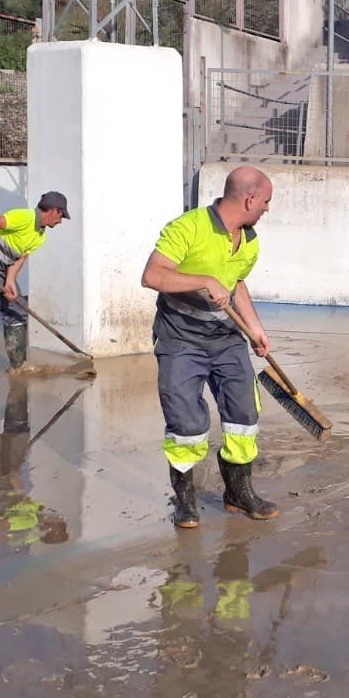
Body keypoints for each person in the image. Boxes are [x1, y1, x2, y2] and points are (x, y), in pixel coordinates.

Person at [141, 166, 277, 529]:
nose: (267, 208)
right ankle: (184, 499)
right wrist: (203, 280)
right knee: (185, 422)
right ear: (250, 199)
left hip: (228, 340)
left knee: (243, 415)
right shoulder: (188, 227)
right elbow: (152, 276)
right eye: (266, 201)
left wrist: (255, 328)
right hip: (181, 339)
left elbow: (237, 286)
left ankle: (239, 492)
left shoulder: (249, 240)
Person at [0, 191, 71, 384]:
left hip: (3, 271)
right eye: (61, 216)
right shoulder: (25, 217)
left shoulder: (40, 236)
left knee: (18, 312)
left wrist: (10, 280)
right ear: (53, 211)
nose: (60, 221)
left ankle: (18, 366)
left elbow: (20, 257)